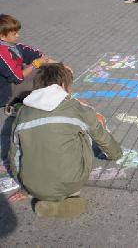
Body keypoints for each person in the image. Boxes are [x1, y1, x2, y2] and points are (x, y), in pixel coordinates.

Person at [8, 63, 123, 218]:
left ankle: (46, 199)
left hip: (33, 186)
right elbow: (102, 137)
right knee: (86, 132)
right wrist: (116, 154)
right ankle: (69, 198)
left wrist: (25, 185)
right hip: (72, 181)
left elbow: (14, 154)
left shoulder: (22, 112)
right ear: (62, 85)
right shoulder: (76, 108)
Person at [0, 14, 56, 111]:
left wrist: (61, 65)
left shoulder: (14, 46)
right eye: (14, 34)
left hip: (12, 82)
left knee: (51, 70)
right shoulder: (2, 53)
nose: (18, 35)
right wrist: (35, 64)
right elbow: (17, 78)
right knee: (45, 77)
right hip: (5, 92)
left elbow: (37, 55)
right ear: (3, 37)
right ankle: (14, 104)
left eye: (17, 32)